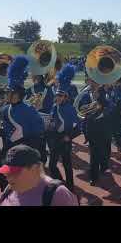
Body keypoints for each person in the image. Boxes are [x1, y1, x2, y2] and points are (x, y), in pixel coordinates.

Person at [0, 56, 45, 191]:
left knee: (23, 184)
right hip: (9, 150)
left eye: (9, 92)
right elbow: (6, 131)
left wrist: (35, 155)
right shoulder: (5, 109)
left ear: (17, 94)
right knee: (2, 176)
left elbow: (39, 132)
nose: (6, 95)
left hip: (25, 152)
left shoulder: (29, 110)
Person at [0, 145, 79, 206]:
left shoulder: (57, 194)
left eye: (15, 172)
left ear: (34, 169)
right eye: (7, 172)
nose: (8, 177)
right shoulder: (10, 187)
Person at [47, 63, 79, 191]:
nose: (57, 98)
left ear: (66, 97)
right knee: (51, 166)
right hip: (55, 139)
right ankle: (61, 183)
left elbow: (79, 126)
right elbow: (52, 121)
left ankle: (70, 186)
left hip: (65, 139)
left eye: (60, 96)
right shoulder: (54, 107)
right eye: (57, 95)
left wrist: (69, 136)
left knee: (67, 164)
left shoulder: (70, 109)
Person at [86, 84, 113, 186]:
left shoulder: (106, 102)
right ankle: (94, 177)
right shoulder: (90, 102)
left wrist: (100, 113)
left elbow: (110, 110)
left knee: (103, 153)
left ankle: (104, 167)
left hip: (103, 133)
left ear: (100, 93)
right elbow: (86, 116)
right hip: (93, 133)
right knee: (94, 156)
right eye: (93, 92)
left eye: (96, 92)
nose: (94, 93)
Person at [111, 77, 121, 151]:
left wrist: (115, 100)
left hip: (120, 110)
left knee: (120, 126)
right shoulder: (112, 88)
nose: (114, 82)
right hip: (113, 110)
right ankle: (115, 139)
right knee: (113, 125)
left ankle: (120, 141)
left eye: (115, 82)